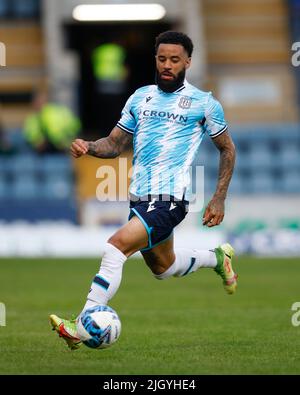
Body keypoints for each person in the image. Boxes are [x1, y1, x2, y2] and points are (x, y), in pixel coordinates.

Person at [50, 31, 237, 350]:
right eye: (162, 58)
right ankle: (216, 257)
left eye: (174, 60)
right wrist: (89, 146)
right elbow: (115, 144)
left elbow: (227, 149)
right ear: (155, 59)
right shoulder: (140, 97)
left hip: (171, 198)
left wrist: (218, 197)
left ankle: (80, 325)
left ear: (188, 62)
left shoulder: (204, 103)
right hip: (140, 197)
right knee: (163, 268)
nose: (167, 65)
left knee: (115, 247)